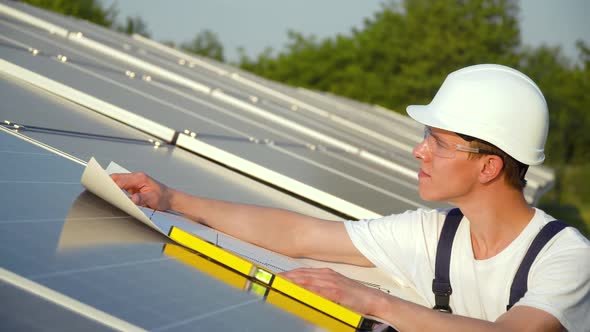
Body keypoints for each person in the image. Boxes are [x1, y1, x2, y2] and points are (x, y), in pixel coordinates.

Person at [112, 64, 589, 331]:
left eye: (439, 143)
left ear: (489, 166)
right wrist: (172, 198)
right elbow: (300, 235)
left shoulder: (567, 258)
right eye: (426, 135)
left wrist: (373, 302)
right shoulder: (433, 234)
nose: (419, 149)